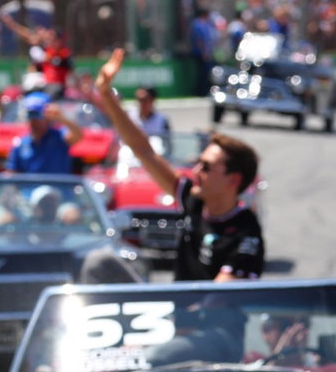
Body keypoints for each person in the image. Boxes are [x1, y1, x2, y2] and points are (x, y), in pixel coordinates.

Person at [90, 49, 265, 281]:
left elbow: (217, 297)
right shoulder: (194, 201)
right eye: (198, 164)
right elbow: (142, 149)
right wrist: (106, 93)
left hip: (209, 315)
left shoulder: (246, 234)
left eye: (206, 167)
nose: (195, 172)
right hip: (179, 311)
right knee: (98, 263)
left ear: (233, 180)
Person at [0, 10, 74, 93]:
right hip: (36, 78)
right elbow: (24, 33)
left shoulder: (52, 47)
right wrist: (10, 23)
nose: (40, 33)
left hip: (49, 79)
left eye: (44, 32)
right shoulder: (37, 47)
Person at [6, 92, 80, 174]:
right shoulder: (20, 144)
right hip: (30, 187)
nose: (34, 121)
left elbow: (78, 135)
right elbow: (11, 174)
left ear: (47, 117)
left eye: (37, 116)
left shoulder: (59, 137)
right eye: (31, 116)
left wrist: (61, 117)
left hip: (57, 186)